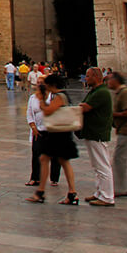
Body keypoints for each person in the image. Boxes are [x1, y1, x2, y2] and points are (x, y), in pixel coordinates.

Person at [25, 74, 79, 205]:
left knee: (54, 160)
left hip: (59, 135)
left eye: (46, 84)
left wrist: (42, 100)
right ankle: (68, 193)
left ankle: (43, 193)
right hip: (59, 134)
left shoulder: (60, 96)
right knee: (53, 160)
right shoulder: (59, 96)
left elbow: (48, 111)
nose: (45, 86)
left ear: (52, 85)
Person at [78, 67, 115, 206]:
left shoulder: (102, 92)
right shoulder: (96, 91)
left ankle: (107, 197)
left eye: (88, 76)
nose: (86, 79)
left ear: (96, 77)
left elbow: (85, 107)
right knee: (97, 166)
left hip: (97, 133)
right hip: (92, 132)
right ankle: (99, 192)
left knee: (102, 165)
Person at [26, 77, 61, 187]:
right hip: (38, 130)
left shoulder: (53, 97)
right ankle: (35, 178)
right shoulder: (32, 98)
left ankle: (54, 178)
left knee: (54, 155)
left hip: (51, 130)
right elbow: (29, 113)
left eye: (42, 83)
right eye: (38, 83)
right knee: (36, 153)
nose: (39, 85)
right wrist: (33, 126)